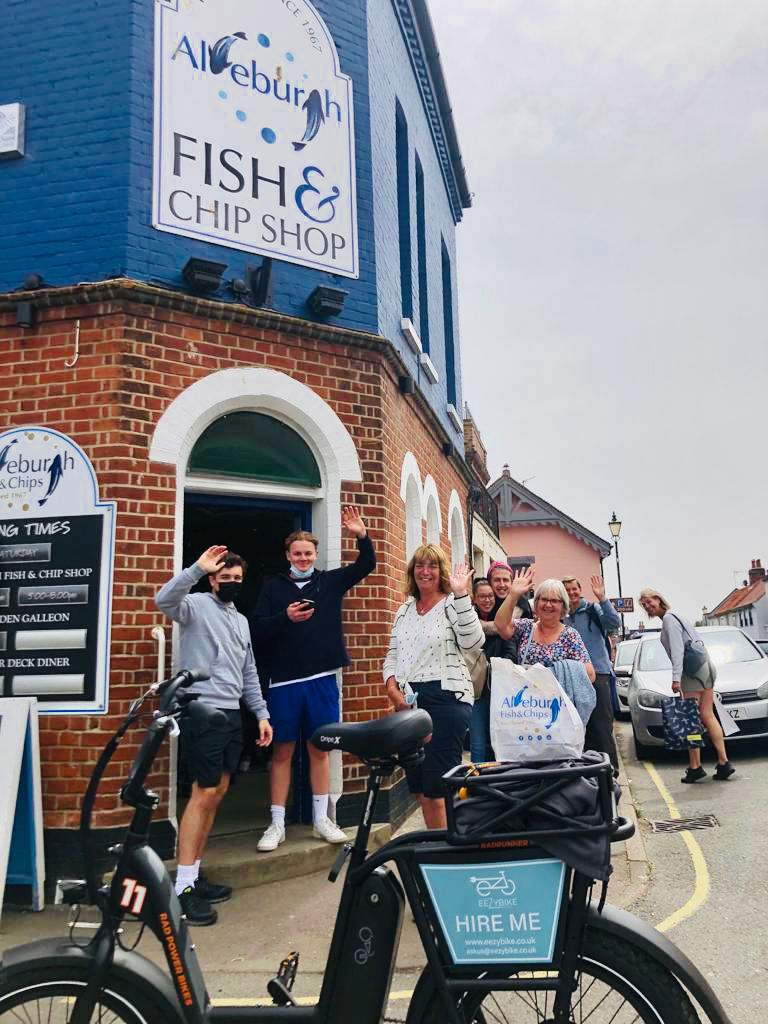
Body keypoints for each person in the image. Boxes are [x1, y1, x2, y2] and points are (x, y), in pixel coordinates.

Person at [156, 546, 273, 925]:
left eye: (238, 579)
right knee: (203, 793)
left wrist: (261, 714)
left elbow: (249, 672)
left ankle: (194, 874)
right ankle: (182, 888)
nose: (233, 584)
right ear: (213, 579)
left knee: (218, 792)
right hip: (201, 710)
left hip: (231, 714)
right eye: (226, 578)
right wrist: (195, 569)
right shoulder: (194, 606)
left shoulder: (240, 621)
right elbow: (164, 599)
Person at [251, 506, 375, 851]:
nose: (302, 558)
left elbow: (367, 566)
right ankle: (276, 824)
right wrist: (285, 618)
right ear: (288, 555)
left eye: (308, 553)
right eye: (297, 553)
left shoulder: (330, 581)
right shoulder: (273, 586)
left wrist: (361, 535)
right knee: (282, 751)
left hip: (322, 678)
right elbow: (257, 629)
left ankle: (322, 818)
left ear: (315, 555)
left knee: (320, 750)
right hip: (284, 681)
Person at [383, 545, 482, 829]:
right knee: (420, 788)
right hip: (410, 703)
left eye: (432, 566)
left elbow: (473, 641)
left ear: (442, 573)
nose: (425, 571)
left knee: (439, 789)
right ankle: (434, 845)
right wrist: (393, 690)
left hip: (447, 700)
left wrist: (462, 594)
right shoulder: (404, 610)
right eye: (420, 566)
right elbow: (392, 655)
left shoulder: (453, 604)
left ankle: (449, 855)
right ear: (412, 571)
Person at [639, 588, 734, 783]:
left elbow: (677, 650)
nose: (648, 606)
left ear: (658, 598)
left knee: (690, 720)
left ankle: (695, 767)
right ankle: (724, 762)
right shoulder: (678, 616)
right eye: (644, 605)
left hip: (691, 673)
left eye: (649, 601)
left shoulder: (669, 619)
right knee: (707, 715)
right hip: (705, 667)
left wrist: (675, 678)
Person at [495, 567, 596, 686]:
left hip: (558, 701)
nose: (548, 605)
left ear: (563, 605)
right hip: (527, 700)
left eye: (554, 600)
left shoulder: (570, 635)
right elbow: (501, 625)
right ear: (536, 603)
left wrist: (550, 673)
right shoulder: (527, 627)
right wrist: (513, 595)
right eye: (544, 599)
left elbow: (590, 675)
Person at [563, 574, 620, 770]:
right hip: (572, 677)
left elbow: (614, 624)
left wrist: (602, 598)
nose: (571, 593)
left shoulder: (593, 610)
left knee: (602, 726)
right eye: (567, 590)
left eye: (574, 589)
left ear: (580, 590)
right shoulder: (562, 617)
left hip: (599, 673)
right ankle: (587, 770)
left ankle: (610, 771)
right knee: (579, 727)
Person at [470, 577, 518, 762]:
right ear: (474, 598)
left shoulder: (502, 619)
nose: (487, 600)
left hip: (500, 688)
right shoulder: (467, 622)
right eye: (482, 596)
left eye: (490, 596)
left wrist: (498, 667)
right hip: (476, 690)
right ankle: (476, 785)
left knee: (500, 740)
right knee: (478, 741)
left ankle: (500, 782)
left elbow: (511, 651)